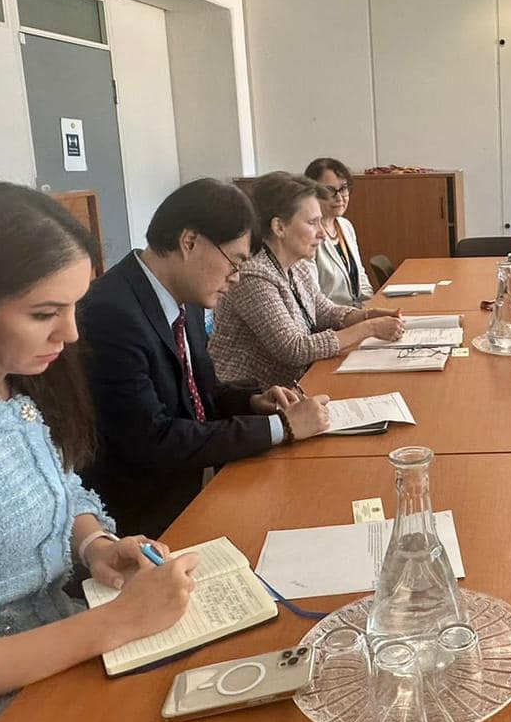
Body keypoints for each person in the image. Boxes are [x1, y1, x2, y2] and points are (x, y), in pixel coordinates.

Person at [0, 183, 199, 722]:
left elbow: (61, 486)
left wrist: (95, 545)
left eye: (75, 306)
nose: (71, 333)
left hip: (52, 652)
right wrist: (113, 623)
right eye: (44, 313)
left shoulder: (6, 380)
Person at [79, 179, 331, 539]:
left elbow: (200, 393)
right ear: (190, 242)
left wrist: (251, 402)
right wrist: (282, 427)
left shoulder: (187, 296)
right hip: (145, 523)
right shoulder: (112, 314)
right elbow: (154, 440)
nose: (236, 277)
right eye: (235, 262)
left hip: (196, 486)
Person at [210, 172, 405, 390]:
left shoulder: (296, 266)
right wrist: (369, 328)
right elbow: (294, 349)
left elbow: (323, 312)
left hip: (294, 388)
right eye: (313, 223)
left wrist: (367, 315)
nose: (322, 233)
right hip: (251, 399)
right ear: (279, 227)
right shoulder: (252, 276)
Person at [305, 157, 374, 306]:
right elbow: (314, 298)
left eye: (343, 189)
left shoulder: (345, 226)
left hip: (358, 311)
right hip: (332, 315)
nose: (339, 197)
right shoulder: (309, 234)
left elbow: (361, 278)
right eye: (329, 190)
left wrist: (371, 307)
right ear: (312, 193)